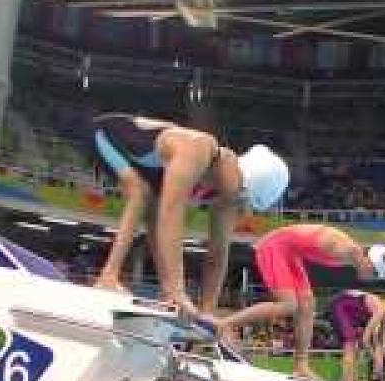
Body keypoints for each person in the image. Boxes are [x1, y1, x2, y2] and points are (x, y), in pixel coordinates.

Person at [88, 113, 290, 319]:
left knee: (153, 209)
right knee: (141, 192)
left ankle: (168, 291)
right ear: (241, 174)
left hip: (149, 170)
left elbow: (217, 255)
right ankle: (108, 276)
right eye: (243, 197)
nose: (240, 206)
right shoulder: (197, 148)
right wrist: (178, 290)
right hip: (107, 135)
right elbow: (171, 216)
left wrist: (208, 311)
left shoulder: (229, 193)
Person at [209, 224, 385, 381]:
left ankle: (301, 366)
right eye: (373, 275)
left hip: (290, 252)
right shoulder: (346, 250)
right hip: (275, 246)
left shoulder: (352, 254)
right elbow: (302, 235)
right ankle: (225, 323)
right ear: (370, 264)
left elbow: (305, 239)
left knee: (307, 304)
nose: (370, 280)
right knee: (288, 305)